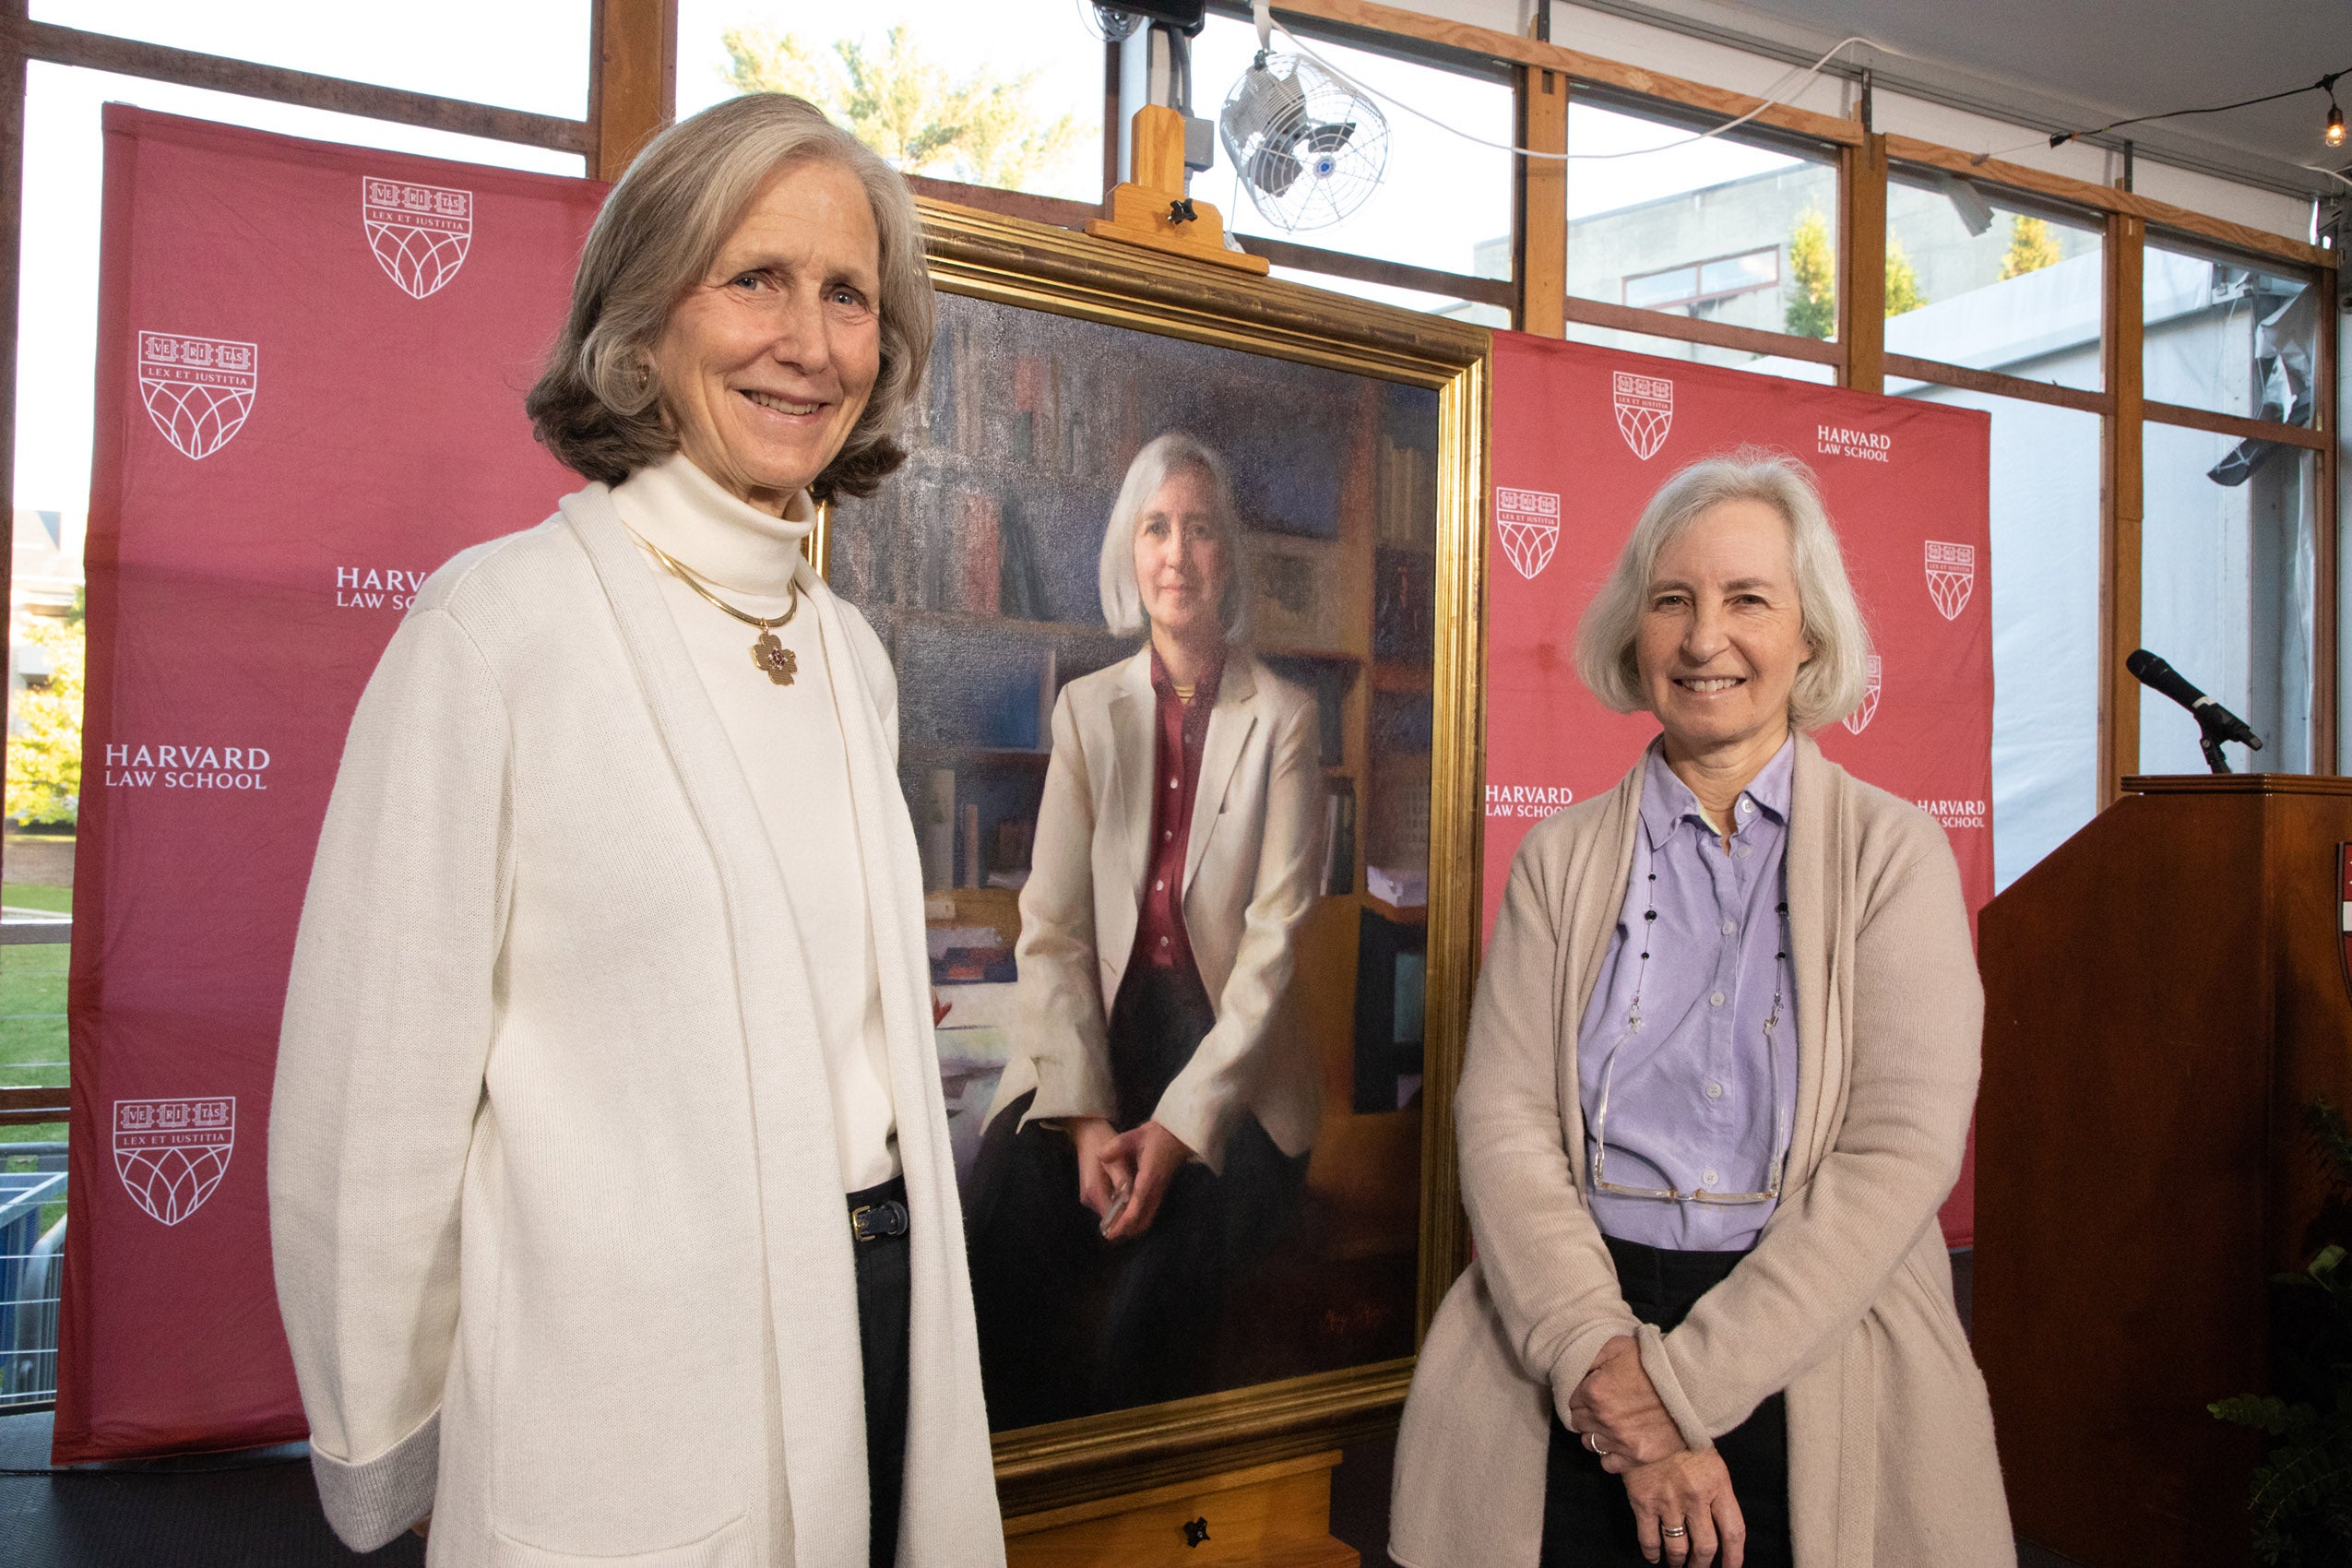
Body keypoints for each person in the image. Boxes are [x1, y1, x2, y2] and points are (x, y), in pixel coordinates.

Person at [267, 94, 1003, 1568]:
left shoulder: (846, 647)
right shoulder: (498, 628)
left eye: (847, 294)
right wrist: (387, 1448)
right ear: (643, 321)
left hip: (884, 1310)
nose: (809, 340)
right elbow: (373, 1103)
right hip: (621, 1387)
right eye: (755, 279)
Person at [1390, 451, 2012, 1568]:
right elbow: (1504, 1124)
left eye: (1747, 600)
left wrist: (1670, 1396)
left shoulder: (1894, 855)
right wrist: (1601, 1363)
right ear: (1635, 632)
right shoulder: (1558, 856)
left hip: (1813, 1339)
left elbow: (1898, 1151)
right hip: (1568, 1330)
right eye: (1671, 599)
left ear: (1809, 637)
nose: (1701, 636)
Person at [963, 432, 1324, 1428]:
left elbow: (1273, 951)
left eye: (1201, 529)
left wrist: (1174, 1131)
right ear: (1131, 548)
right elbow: (1055, 930)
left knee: (1148, 1311)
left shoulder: (1286, 718)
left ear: (1228, 557)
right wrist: (1085, 1122)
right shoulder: (1085, 712)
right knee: (994, 1226)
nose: (1177, 551)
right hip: (1100, 1045)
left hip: (1233, 1071)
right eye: (1158, 527)